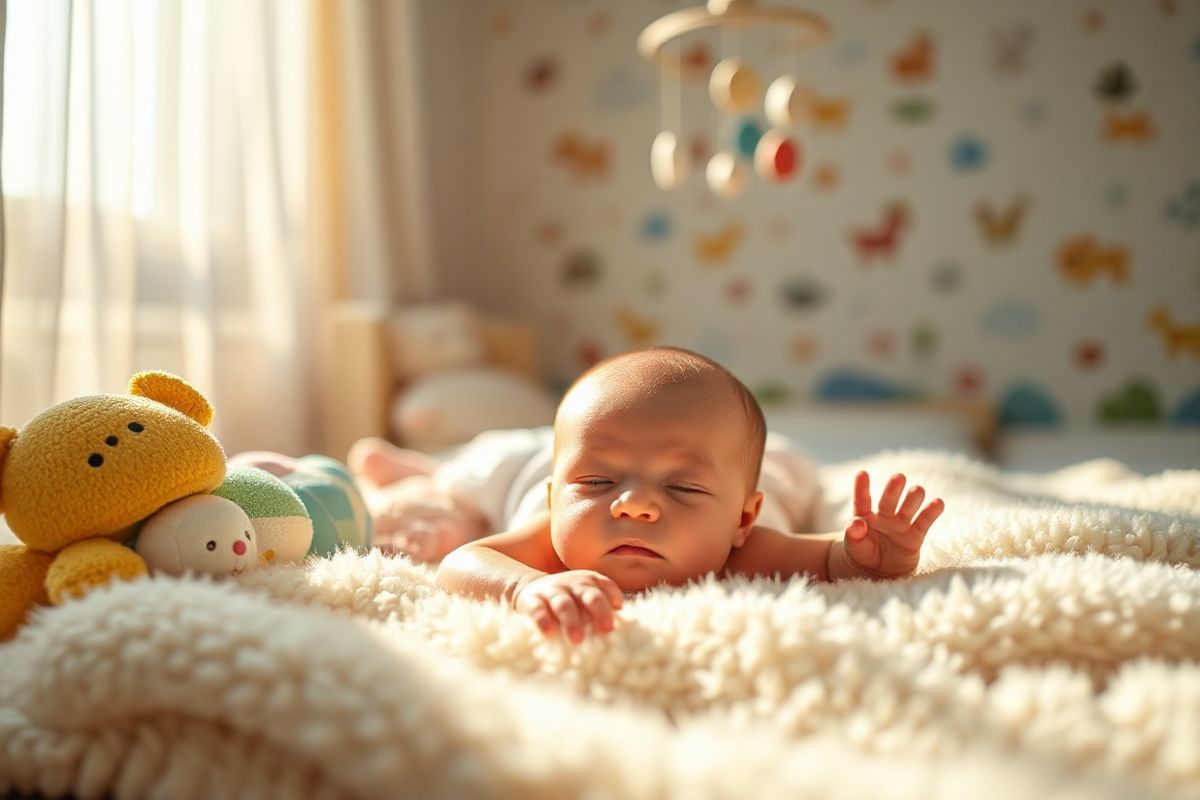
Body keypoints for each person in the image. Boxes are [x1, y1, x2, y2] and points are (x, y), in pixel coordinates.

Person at [357, 346, 945, 643]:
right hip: (524, 464)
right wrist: (528, 584)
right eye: (597, 484)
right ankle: (415, 473)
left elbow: (827, 561)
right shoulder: (554, 543)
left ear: (743, 520)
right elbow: (461, 565)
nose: (633, 505)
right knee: (466, 479)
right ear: (560, 496)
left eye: (684, 486)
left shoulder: (742, 550)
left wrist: (870, 556)